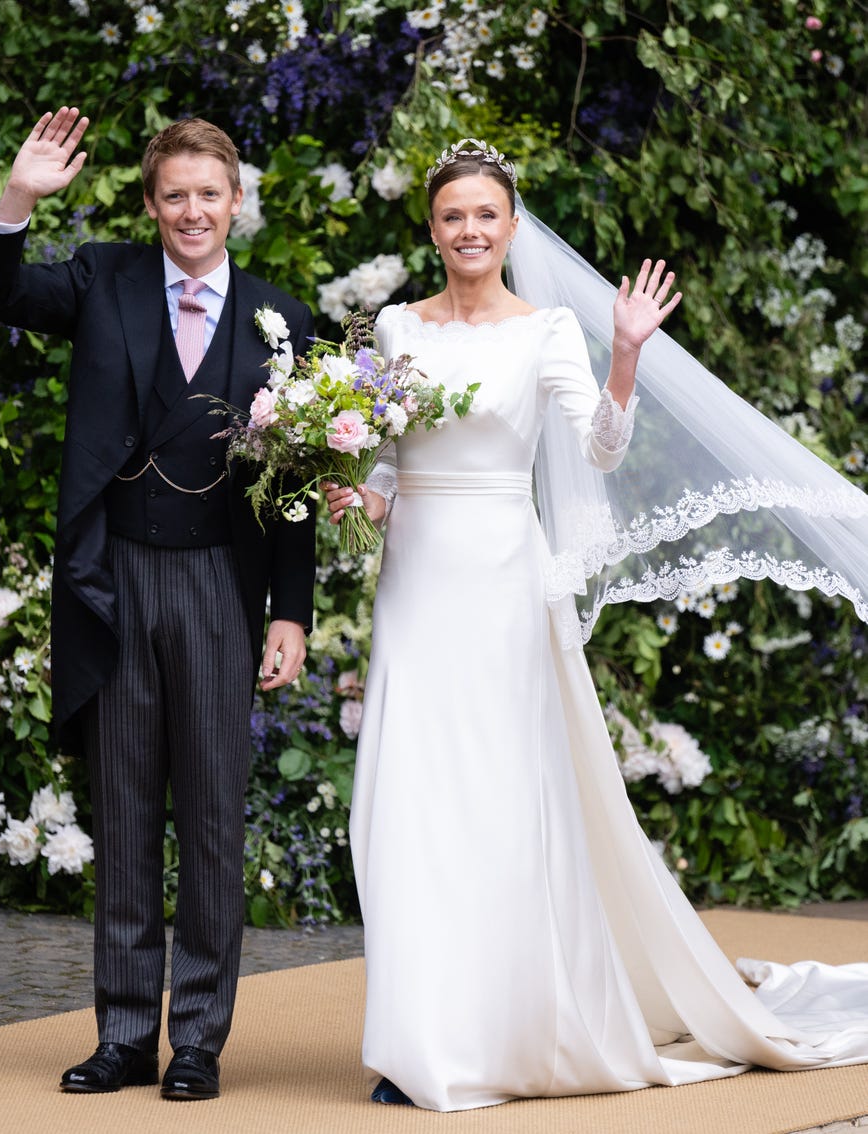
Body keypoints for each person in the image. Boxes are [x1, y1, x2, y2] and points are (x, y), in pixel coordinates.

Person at [325, 140, 868, 1112]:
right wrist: (340, 494)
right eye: (452, 215)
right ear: (430, 227)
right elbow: (379, 472)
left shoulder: (541, 334)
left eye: (485, 215)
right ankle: (419, 1036)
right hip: (412, 590)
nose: (468, 231)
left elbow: (600, 452)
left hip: (500, 584)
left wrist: (621, 356)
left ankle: (497, 1035)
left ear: (508, 226)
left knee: (493, 811)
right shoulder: (395, 330)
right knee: (398, 808)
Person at [0, 107, 316, 1101]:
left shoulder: (281, 320)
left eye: (209, 194)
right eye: (174, 196)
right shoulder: (104, 279)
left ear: (235, 203)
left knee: (209, 814)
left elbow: (295, 482)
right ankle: (123, 1037)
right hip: (113, 577)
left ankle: (196, 1039)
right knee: (121, 813)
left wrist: (289, 608)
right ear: (151, 205)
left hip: (217, 581)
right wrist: (19, 196)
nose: (191, 211)